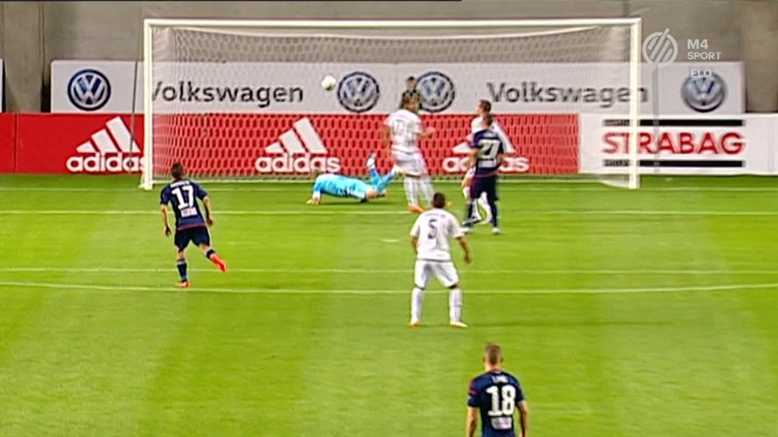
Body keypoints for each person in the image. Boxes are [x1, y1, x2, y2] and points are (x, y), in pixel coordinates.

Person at [409, 192, 472, 328]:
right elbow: (461, 239)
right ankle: (455, 319)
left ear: (432, 203)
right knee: (454, 286)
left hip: (423, 257)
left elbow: (413, 238)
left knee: (419, 286)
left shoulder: (423, 216)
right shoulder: (449, 217)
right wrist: (467, 253)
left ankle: (414, 319)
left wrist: (418, 252)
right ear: (445, 204)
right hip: (441, 257)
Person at [160, 162, 227, 287]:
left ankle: (184, 280)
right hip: (198, 222)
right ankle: (216, 258)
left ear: (171, 175)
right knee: (205, 247)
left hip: (183, 225)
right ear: (183, 172)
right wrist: (209, 216)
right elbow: (205, 198)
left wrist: (166, 225)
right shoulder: (192, 184)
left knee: (180, 251)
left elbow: (163, 208)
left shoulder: (168, 189)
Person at [462, 100, 515, 224]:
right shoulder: (493, 123)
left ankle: (477, 214)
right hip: (490, 162)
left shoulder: (477, 123)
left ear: (482, 108)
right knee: (477, 189)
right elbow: (501, 139)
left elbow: (478, 143)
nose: (476, 108)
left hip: (480, 162)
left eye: (478, 106)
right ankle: (483, 213)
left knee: (468, 187)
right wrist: (506, 152)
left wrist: (471, 159)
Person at [382, 93, 435, 213]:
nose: (416, 106)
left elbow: (385, 130)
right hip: (410, 151)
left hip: (397, 149)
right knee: (420, 176)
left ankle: (417, 203)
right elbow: (419, 135)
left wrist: (388, 150)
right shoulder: (413, 118)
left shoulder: (393, 115)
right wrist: (429, 132)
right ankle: (426, 202)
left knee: (412, 176)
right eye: (414, 103)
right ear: (407, 104)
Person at [467, 343, 530, 437]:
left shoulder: (478, 383)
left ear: (484, 360)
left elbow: (472, 419)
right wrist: (524, 434)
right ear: (501, 360)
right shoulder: (512, 381)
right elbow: (524, 411)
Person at [464, 113, 505, 235]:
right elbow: (501, 157)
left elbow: (475, 151)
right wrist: (495, 167)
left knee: (471, 198)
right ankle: (496, 227)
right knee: (492, 200)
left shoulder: (478, 135)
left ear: (483, 122)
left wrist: (471, 162)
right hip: (491, 172)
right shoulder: (497, 137)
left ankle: (469, 225)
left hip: (480, 172)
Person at [307, 154, 395, 205]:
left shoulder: (318, 184)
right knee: (382, 192)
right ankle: (372, 167)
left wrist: (312, 201)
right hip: (353, 183)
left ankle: (392, 172)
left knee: (377, 191)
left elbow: (316, 199)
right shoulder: (327, 176)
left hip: (350, 188)